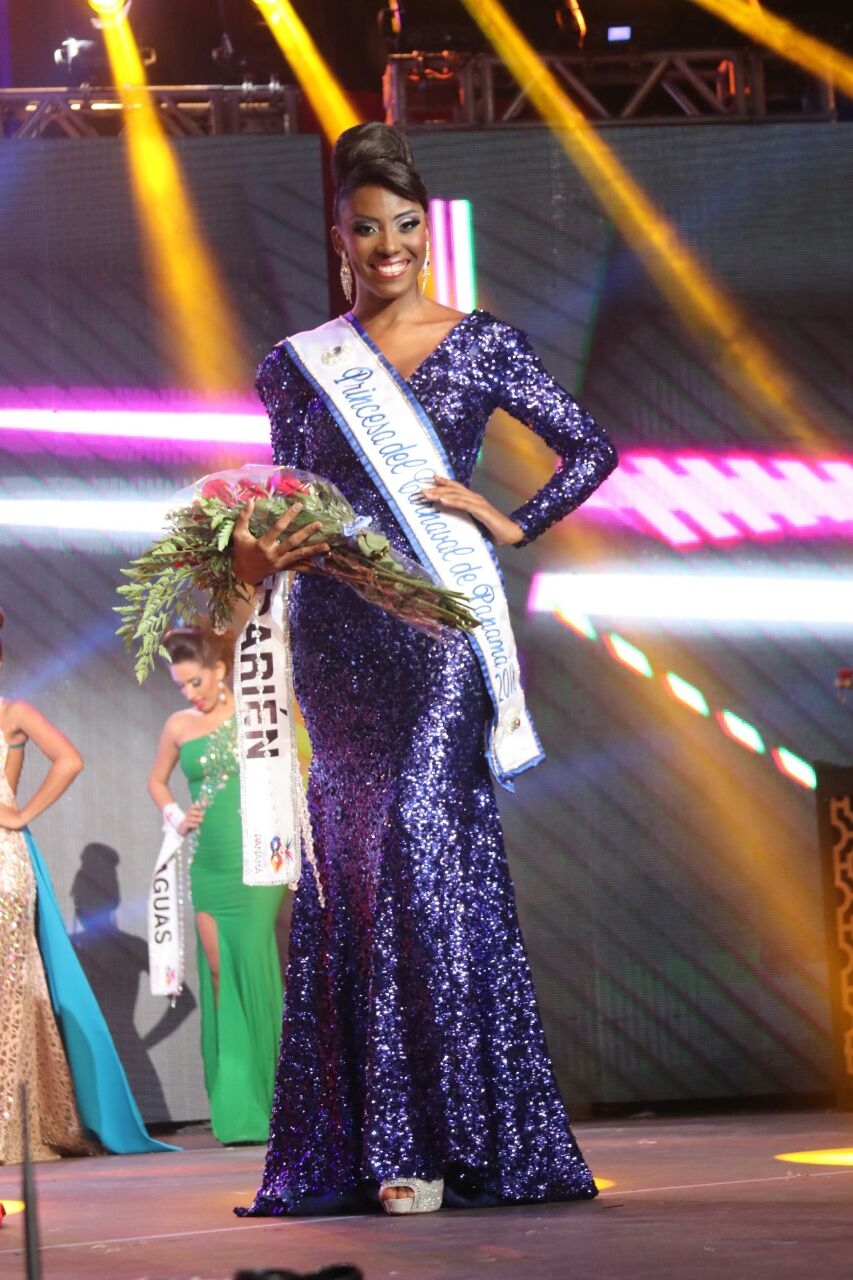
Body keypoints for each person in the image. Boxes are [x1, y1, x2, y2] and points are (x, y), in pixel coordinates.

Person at [231, 122, 618, 1215]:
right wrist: (258, 553)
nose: (389, 245)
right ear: (340, 239)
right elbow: (285, 502)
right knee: (355, 867)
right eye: (368, 228)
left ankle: (442, 1139)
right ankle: (373, 1142)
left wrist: (510, 518)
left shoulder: (479, 343)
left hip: (438, 635)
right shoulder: (299, 364)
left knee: (421, 845)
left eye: (405, 225)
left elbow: (590, 448)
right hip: (334, 637)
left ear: (426, 231)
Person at [0, 607, 171, 1163]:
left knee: (11, 990)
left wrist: (20, 814)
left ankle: (13, 1123)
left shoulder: (13, 711)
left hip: (3, 863)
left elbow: (69, 760)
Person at [148, 624, 285, 1145]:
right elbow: (156, 780)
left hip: (256, 859)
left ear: (220, 670)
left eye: (196, 682)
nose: (190, 693)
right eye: (181, 685)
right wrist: (176, 815)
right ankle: (236, 1102)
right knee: (219, 971)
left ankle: (279, 1099)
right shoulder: (178, 725)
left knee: (254, 963)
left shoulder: (256, 714)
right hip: (208, 862)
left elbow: (292, 764)